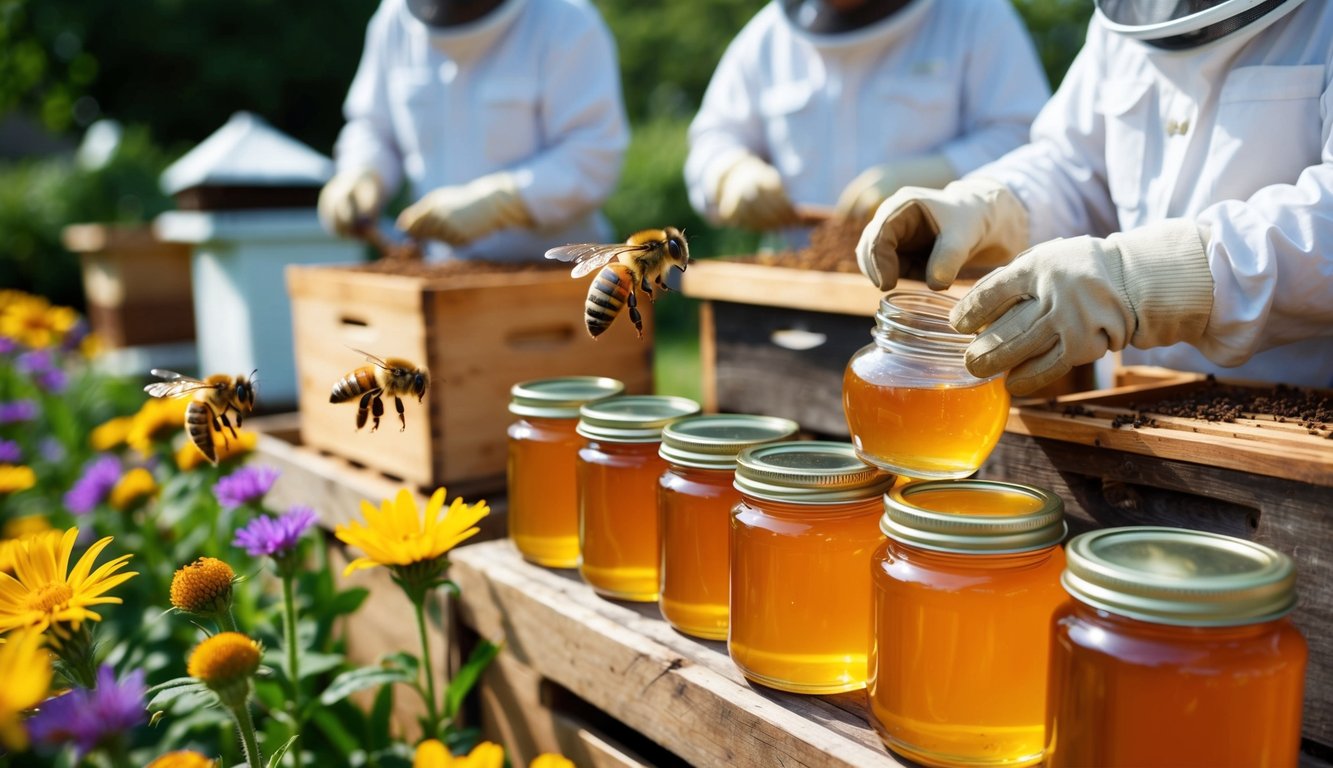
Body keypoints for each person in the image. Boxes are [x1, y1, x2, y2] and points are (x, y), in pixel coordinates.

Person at [856, 0, 1333, 395]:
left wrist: (1142, 278)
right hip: (1125, 404)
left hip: (1300, 412)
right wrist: (989, 207)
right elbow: (1074, 166)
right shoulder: (1131, 21)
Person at [683, 0, 1049, 245]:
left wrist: (937, 176)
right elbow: (713, 139)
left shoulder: (976, 16)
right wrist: (730, 172)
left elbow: (1028, 141)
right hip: (801, 285)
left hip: (936, 294)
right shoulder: (767, 37)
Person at [318, 0, 629, 261]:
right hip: (443, 271)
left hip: (554, 275)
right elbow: (374, 126)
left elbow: (593, 155)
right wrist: (363, 173)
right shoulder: (393, 19)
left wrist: (503, 202)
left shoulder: (566, 22)